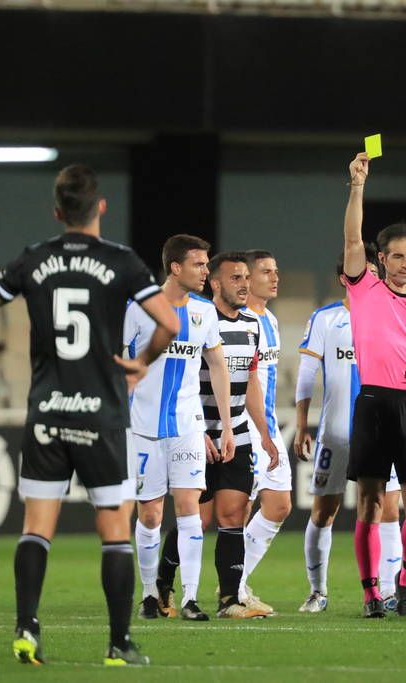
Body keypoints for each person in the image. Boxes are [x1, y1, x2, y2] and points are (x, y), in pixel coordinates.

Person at [0, 165, 178, 665]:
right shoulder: (122, 262)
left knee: (36, 525)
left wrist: (13, 285)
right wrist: (140, 363)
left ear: (57, 212)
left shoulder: (34, 259)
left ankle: (27, 629)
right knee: (113, 527)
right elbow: (168, 322)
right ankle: (119, 644)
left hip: (47, 410)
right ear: (100, 207)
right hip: (100, 413)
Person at [342, 153, 406, 617]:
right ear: (381, 258)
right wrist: (358, 186)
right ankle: (369, 594)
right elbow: (351, 237)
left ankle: (405, 588)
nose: (405, 263)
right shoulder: (364, 288)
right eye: (397, 256)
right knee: (370, 503)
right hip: (373, 402)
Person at [155, 252, 279, 619]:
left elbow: (251, 381)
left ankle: (229, 599)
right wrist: (199, 428)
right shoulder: (202, 323)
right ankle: (163, 583)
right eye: (235, 278)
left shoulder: (252, 325)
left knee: (234, 512)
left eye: (246, 277)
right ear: (216, 284)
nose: (244, 284)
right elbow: (187, 380)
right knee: (199, 517)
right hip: (196, 433)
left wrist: (265, 434)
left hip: (235, 433)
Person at [125, 235, 234, 622]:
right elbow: (121, 365)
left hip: (187, 426)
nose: (206, 271)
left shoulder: (204, 312)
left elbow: (217, 366)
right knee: (151, 515)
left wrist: (225, 427)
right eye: (199, 265)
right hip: (143, 429)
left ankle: (189, 598)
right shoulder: (138, 308)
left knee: (189, 510)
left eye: (206, 264)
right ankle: (150, 593)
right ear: (175, 267)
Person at [296, 248, 404, 613]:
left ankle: (387, 592)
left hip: (380, 430)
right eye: (364, 273)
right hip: (337, 433)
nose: (371, 279)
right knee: (324, 512)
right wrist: (301, 426)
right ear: (346, 278)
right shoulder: (326, 319)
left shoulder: (390, 314)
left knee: (388, 510)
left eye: (375, 272)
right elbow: (307, 376)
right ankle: (317, 590)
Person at [237, 249, 293, 613]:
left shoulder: (270, 320)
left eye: (276, 271)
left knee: (279, 504)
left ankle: (237, 584)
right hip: (242, 426)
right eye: (265, 272)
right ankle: (233, 590)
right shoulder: (237, 320)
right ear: (246, 278)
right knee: (238, 508)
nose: (274, 277)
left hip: (268, 428)